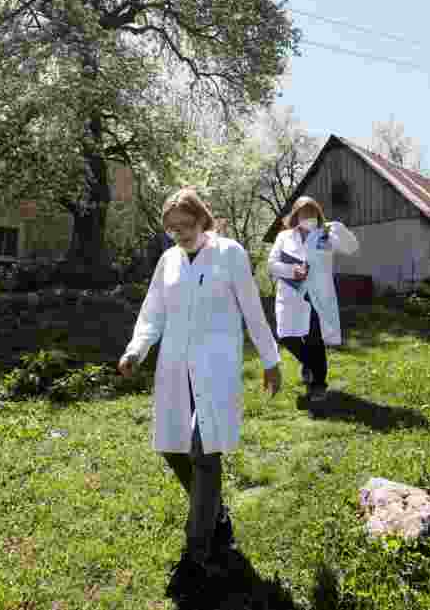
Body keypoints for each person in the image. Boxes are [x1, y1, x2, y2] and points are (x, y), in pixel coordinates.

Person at [118, 187, 282, 599]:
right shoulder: (168, 260)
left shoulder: (229, 254)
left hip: (216, 366)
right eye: (171, 229)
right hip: (175, 367)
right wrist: (137, 349)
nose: (178, 235)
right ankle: (216, 514)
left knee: (204, 453)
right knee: (173, 449)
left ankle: (198, 551)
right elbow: (152, 311)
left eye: (185, 226)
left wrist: (270, 358)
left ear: (201, 219)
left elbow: (251, 308)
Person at [267, 196, 359, 403]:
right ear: (296, 215)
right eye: (303, 212)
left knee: (314, 340)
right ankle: (308, 364)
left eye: (312, 212)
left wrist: (340, 229)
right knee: (286, 336)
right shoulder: (284, 237)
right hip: (292, 295)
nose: (307, 216)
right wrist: (292, 270)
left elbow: (352, 248)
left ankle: (319, 385)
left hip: (318, 296)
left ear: (318, 215)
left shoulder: (325, 236)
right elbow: (271, 264)